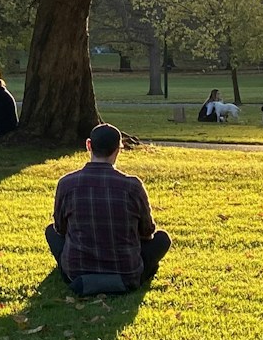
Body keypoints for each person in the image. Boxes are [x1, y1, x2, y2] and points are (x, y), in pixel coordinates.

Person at [46, 123, 171, 291]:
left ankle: (84, 276)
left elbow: (60, 229)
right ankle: (131, 275)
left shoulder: (67, 183)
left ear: (88, 145)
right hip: (126, 272)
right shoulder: (132, 186)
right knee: (162, 239)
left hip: (77, 271)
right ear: (118, 149)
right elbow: (147, 233)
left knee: (51, 232)